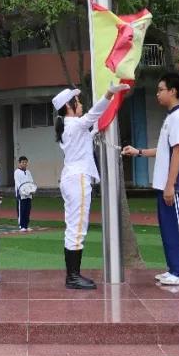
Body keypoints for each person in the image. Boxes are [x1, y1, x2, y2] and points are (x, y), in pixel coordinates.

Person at [52, 83, 130, 290]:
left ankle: (73, 275)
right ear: (69, 106)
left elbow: (93, 125)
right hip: (78, 179)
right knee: (77, 228)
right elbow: (94, 115)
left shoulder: (71, 126)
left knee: (74, 226)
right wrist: (109, 93)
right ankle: (73, 277)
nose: (81, 104)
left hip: (73, 178)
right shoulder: (74, 125)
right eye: (77, 102)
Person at [123, 72, 179, 285]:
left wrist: (171, 185)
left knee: (178, 227)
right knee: (168, 228)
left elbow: (178, 152)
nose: (158, 94)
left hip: (175, 185)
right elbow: (165, 150)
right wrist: (138, 152)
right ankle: (174, 269)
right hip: (166, 184)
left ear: (173, 91)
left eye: (161, 89)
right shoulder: (171, 118)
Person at [14, 156, 34, 232]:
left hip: (29, 194)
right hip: (21, 195)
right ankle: (21, 225)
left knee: (27, 210)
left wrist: (31, 190)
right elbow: (18, 183)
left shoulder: (28, 172)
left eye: (25, 162)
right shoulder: (17, 172)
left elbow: (31, 181)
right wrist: (24, 191)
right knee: (21, 210)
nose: (24, 164)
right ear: (19, 163)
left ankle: (26, 225)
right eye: (22, 162)